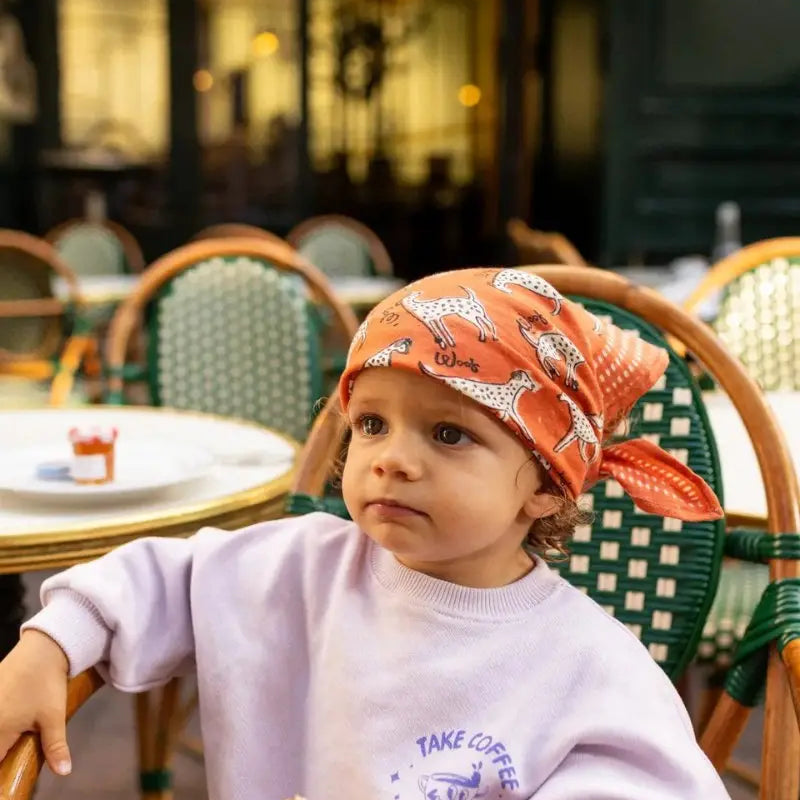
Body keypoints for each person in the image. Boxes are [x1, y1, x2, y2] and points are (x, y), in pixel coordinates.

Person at [0, 267, 731, 799]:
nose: (390, 460)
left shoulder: (588, 668)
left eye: (449, 433)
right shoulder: (297, 567)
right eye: (372, 424)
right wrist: (49, 645)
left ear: (545, 483)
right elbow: (157, 583)